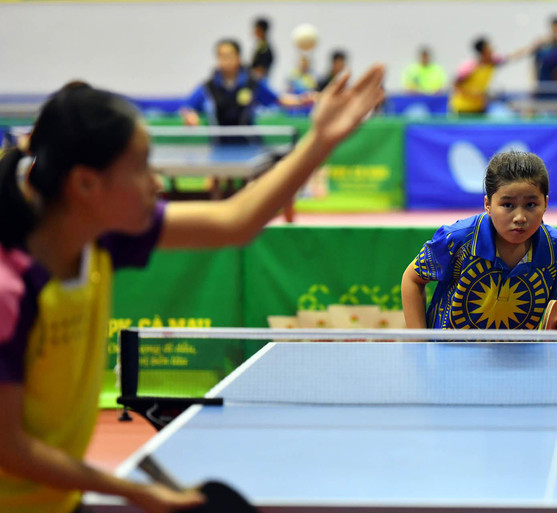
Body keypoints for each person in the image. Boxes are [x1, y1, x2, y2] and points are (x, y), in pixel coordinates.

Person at [0, 64, 385, 513]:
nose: (156, 182)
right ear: (86, 184)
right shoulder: (10, 290)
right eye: (141, 167)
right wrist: (136, 491)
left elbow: (234, 222)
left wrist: (320, 141)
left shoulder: (98, 238)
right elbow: (9, 448)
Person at [401, 151, 557, 330]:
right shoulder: (459, 240)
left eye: (531, 205)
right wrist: (419, 341)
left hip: (521, 349)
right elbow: (412, 279)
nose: (520, 217)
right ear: (488, 204)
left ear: (545, 203)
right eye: (507, 205)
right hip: (449, 347)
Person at [181, 39, 312, 127]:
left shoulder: (252, 83)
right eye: (221, 56)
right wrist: (190, 115)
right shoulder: (208, 87)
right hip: (218, 147)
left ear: (238, 57)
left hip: (249, 145)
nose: (225, 60)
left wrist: (301, 100)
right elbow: (188, 107)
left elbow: (278, 99)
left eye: (229, 55)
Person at [449, 37, 535, 115]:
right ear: (483, 51)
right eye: (489, 48)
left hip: (479, 108)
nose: (492, 50)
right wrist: (475, 95)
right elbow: (455, 85)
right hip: (463, 108)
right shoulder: (470, 66)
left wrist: (532, 47)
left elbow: (512, 56)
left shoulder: (492, 63)